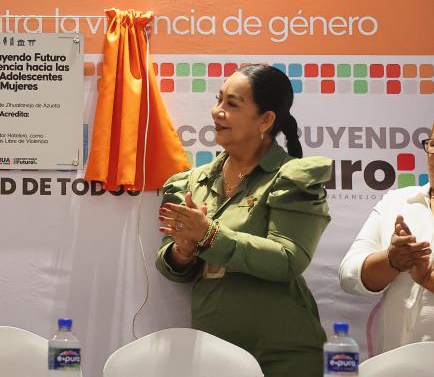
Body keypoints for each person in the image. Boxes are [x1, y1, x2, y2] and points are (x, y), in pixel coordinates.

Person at [154, 64, 332, 376]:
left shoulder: (292, 178)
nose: (217, 112)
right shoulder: (192, 182)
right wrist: (182, 250)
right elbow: (173, 268)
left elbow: (288, 259)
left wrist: (209, 236)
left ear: (265, 120)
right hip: (213, 350)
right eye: (218, 100)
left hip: (282, 353)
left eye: (232, 104)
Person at [339, 123, 434, 354]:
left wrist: (427, 278)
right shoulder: (397, 202)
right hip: (394, 363)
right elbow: (349, 275)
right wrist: (392, 260)